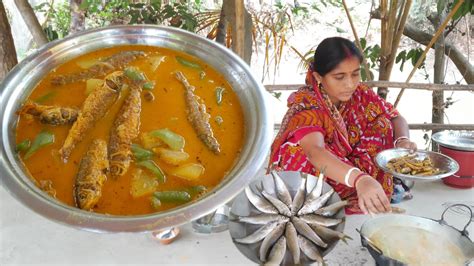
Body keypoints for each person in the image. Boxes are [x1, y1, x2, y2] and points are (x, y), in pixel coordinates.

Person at [268, 37, 417, 215]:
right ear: (318, 77)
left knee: (382, 124)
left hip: (349, 169)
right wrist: (360, 179)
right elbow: (314, 151)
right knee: (298, 151)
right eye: (339, 77)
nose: (350, 84)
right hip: (326, 173)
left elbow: (395, 117)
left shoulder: (360, 94)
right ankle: (326, 202)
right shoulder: (308, 104)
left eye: (355, 74)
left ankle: (370, 191)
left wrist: (403, 140)